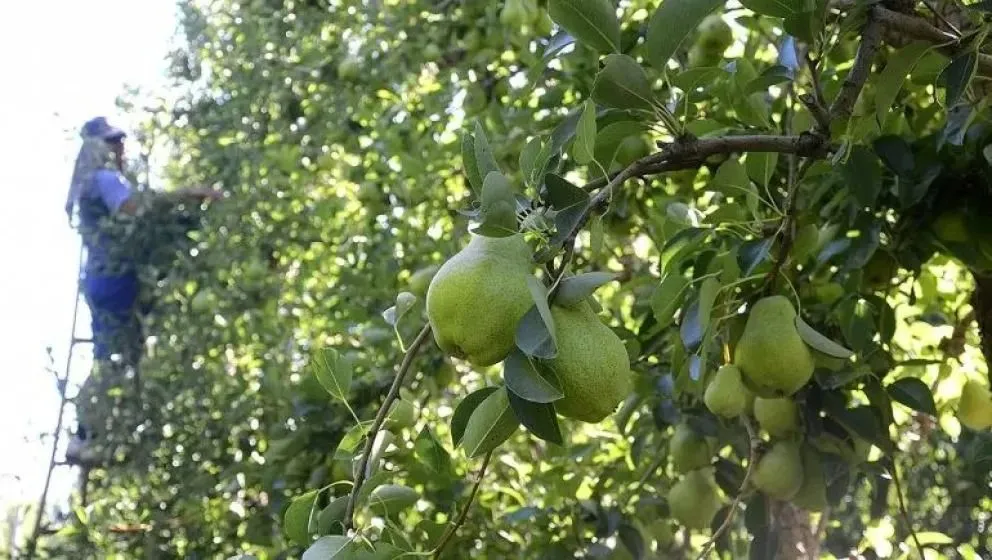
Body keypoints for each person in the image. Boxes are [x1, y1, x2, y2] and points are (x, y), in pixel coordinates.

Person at [64, 116, 222, 464]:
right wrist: (191, 195)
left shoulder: (89, 186)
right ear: (98, 149)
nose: (120, 148)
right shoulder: (105, 180)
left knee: (121, 356)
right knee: (112, 358)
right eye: (113, 142)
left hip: (102, 279)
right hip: (114, 280)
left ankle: (99, 433)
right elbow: (135, 209)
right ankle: (84, 436)